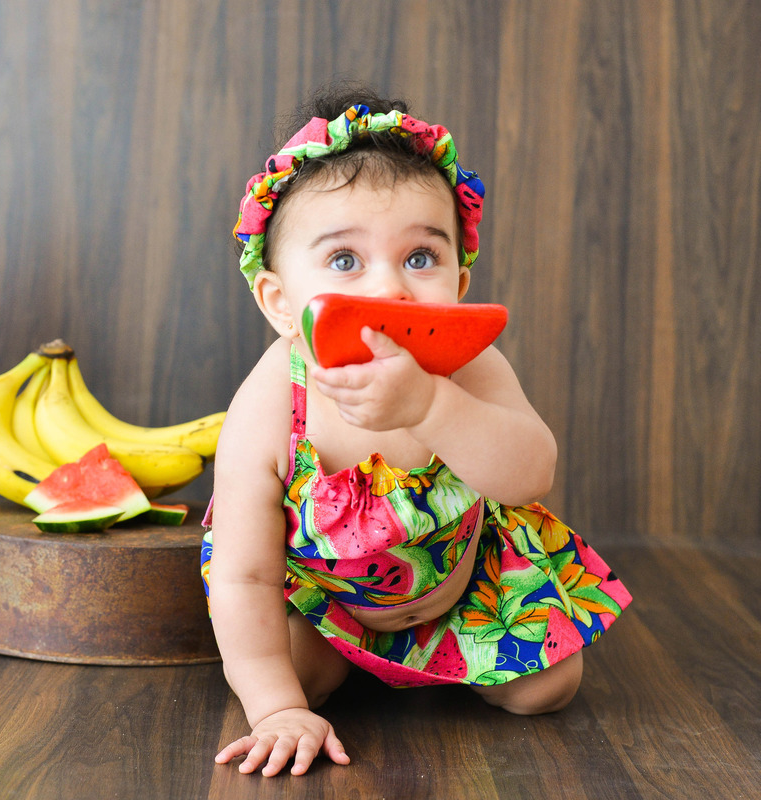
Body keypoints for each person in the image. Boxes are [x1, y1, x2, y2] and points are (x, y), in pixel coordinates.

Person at [200, 84, 632, 778]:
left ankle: (437, 661)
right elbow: (245, 574)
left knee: (551, 688)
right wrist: (274, 707)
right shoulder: (275, 397)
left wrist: (433, 407)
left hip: (458, 597)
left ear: (459, 282)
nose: (391, 290)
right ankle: (329, 676)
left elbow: (531, 472)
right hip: (331, 610)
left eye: (421, 258)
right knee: (286, 673)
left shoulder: (470, 365)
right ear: (280, 302)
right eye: (345, 261)